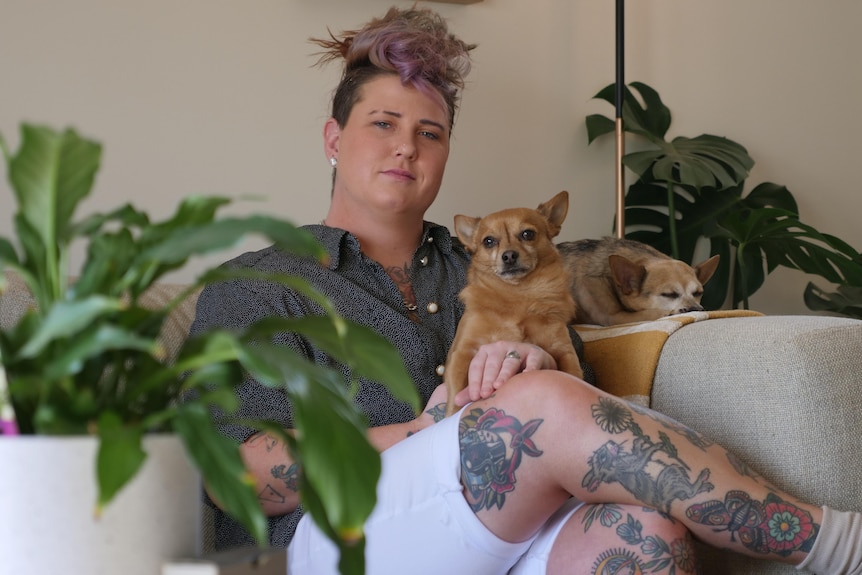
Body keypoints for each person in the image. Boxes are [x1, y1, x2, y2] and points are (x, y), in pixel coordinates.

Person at [189, 6, 862, 574]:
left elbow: (585, 414)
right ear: (334, 139)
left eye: (430, 132)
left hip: (506, 512)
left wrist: (539, 362)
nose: (407, 148)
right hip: (340, 533)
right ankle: (837, 544)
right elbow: (237, 473)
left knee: (642, 536)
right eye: (383, 124)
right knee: (534, 405)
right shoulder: (259, 286)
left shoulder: (490, 263)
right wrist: (432, 425)